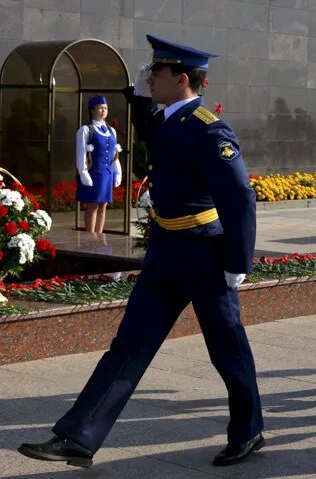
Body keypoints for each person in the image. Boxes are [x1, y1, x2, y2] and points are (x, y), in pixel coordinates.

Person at [20, 35, 263, 468]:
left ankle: (249, 431)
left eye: (158, 72)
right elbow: (152, 126)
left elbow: (240, 197)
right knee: (129, 345)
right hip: (167, 251)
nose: (150, 77)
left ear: (183, 80)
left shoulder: (210, 128)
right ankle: (78, 436)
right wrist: (135, 95)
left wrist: (238, 262)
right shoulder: (170, 119)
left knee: (227, 349)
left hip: (205, 254)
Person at [75, 95, 122, 235]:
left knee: (103, 205)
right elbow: (81, 153)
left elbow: (115, 153)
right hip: (94, 173)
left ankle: (99, 236)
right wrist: (83, 173)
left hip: (107, 173)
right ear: (92, 110)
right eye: (100, 108)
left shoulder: (111, 130)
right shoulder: (85, 130)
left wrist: (118, 172)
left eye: (106, 108)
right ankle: (90, 238)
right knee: (93, 206)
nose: (104, 111)